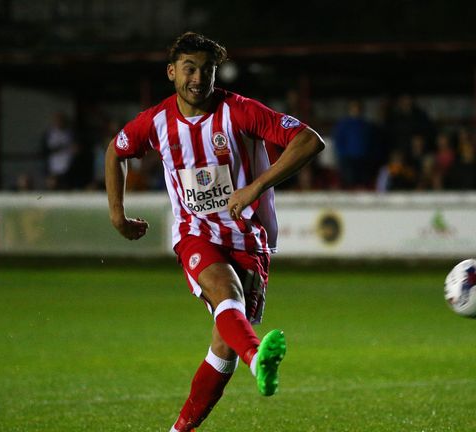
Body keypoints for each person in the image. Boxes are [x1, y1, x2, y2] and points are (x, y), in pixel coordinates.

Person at [104, 32, 324, 432]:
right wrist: (118, 215)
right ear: (171, 72)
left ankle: (178, 430)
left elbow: (309, 140)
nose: (198, 78)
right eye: (189, 68)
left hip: (248, 238)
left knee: (223, 348)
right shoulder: (154, 122)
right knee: (227, 294)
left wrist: (255, 187)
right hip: (195, 233)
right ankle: (259, 359)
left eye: (208, 69)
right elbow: (116, 151)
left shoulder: (239, 111)